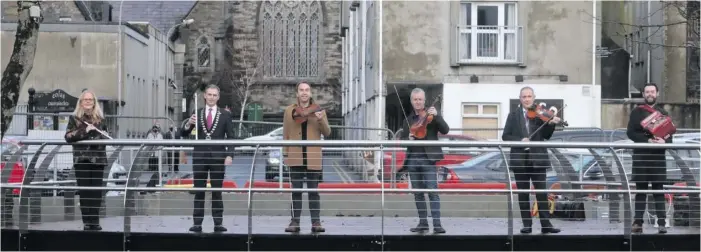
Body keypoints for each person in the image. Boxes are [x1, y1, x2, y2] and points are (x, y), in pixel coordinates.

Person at [501, 86, 562, 234]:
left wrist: (551, 124)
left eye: (529, 96)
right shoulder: (513, 115)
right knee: (523, 193)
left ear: (534, 98)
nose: (527, 99)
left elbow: (546, 136)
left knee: (541, 193)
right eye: (524, 97)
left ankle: (546, 225)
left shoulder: (540, 115)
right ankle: (527, 225)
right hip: (520, 160)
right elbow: (505, 136)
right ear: (520, 99)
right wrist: (520, 140)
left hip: (538, 159)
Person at [181, 84, 236, 233]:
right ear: (204, 96)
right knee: (199, 191)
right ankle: (197, 223)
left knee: (217, 191)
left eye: (214, 95)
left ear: (218, 97)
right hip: (200, 157)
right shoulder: (197, 113)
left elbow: (231, 137)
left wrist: (230, 155)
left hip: (218, 157)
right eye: (209, 94)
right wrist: (188, 124)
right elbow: (184, 133)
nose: (211, 97)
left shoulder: (225, 115)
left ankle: (218, 223)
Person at [282, 82, 331, 233]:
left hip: (313, 156)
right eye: (301, 90)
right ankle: (295, 222)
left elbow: (328, 133)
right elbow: (286, 133)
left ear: (310, 93)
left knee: (313, 191)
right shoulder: (289, 110)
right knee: (295, 191)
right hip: (296, 156)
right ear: (297, 93)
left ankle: (316, 222)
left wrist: (321, 119)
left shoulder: (319, 110)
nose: (304, 93)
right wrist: (285, 153)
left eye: (307, 90)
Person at [399, 88, 449, 234]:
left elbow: (445, 130)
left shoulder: (431, 117)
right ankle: (423, 223)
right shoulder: (407, 120)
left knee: (433, 191)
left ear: (424, 100)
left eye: (420, 99)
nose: (418, 102)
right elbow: (402, 140)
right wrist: (407, 139)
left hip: (428, 159)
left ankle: (437, 224)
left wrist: (438, 116)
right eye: (415, 99)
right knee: (418, 193)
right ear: (412, 101)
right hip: (413, 160)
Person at [626, 83, 671, 234]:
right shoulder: (636, 112)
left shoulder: (663, 113)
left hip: (658, 158)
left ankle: (662, 223)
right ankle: (638, 222)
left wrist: (664, 141)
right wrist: (648, 141)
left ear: (657, 93)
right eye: (647, 92)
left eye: (652, 91)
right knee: (641, 191)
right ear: (643, 94)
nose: (650, 94)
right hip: (641, 157)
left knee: (659, 191)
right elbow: (630, 133)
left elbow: (669, 135)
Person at [64, 90, 110, 231]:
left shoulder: (101, 119)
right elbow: (68, 136)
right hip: (82, 159)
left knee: (96, 191)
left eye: (91, 99)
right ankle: (87, 221)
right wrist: (85, 131)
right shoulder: (75, 118)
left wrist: (101, 136)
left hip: (98, 159)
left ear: (94, 102)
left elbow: (105, 137)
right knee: (84, 191)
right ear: (81, 102)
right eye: (86, 99)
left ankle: (95, 221)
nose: (88, 101)